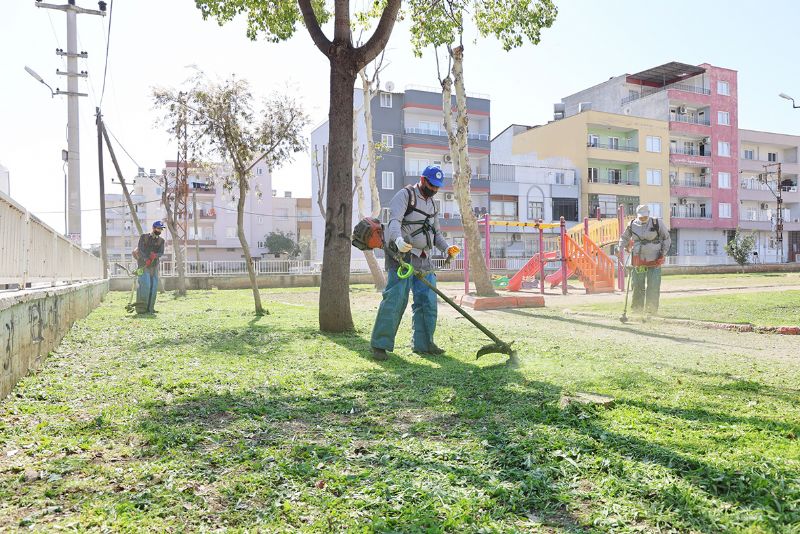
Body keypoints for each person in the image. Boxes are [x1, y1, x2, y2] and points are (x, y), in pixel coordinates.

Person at [371, 165, 460, 361]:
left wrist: (446, 248)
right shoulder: (405, 195)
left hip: (423, 258)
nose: (434, 190)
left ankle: (424, 344)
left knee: (427, 301)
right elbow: (394, 221)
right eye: (431, 185)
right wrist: (398, 240)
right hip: (401, 257)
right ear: (422, 179)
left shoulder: (434, 205)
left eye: (437, 187)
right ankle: (380, 345)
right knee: (396, 299)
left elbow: (436, 233)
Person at [619, 205, 671, 316]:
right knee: (637, 284)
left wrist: (663, 253)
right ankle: (637, 310)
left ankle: (651, 310)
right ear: (637, 215)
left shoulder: (657, 223)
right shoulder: (632, 224)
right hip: (638, 259)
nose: (643, 218)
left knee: (653, 285)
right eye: (641, 217)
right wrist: (619, 248)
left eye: (645, 216)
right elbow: (624, 238)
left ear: (648, 214)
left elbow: (666, 238)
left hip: (655, 259)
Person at [134, 221, 166, 315]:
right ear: (153, 228)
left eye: (161, 229)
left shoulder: (161, 241)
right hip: (142, 266)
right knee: (145, 285)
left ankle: (150, 309)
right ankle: (141, 309)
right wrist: (146, 259)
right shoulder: (144, 237)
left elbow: (161, 252)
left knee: (153, 287)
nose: (159, 230)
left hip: (154, 266)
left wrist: (155, 255)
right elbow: (140, 249)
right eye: (158, 228)